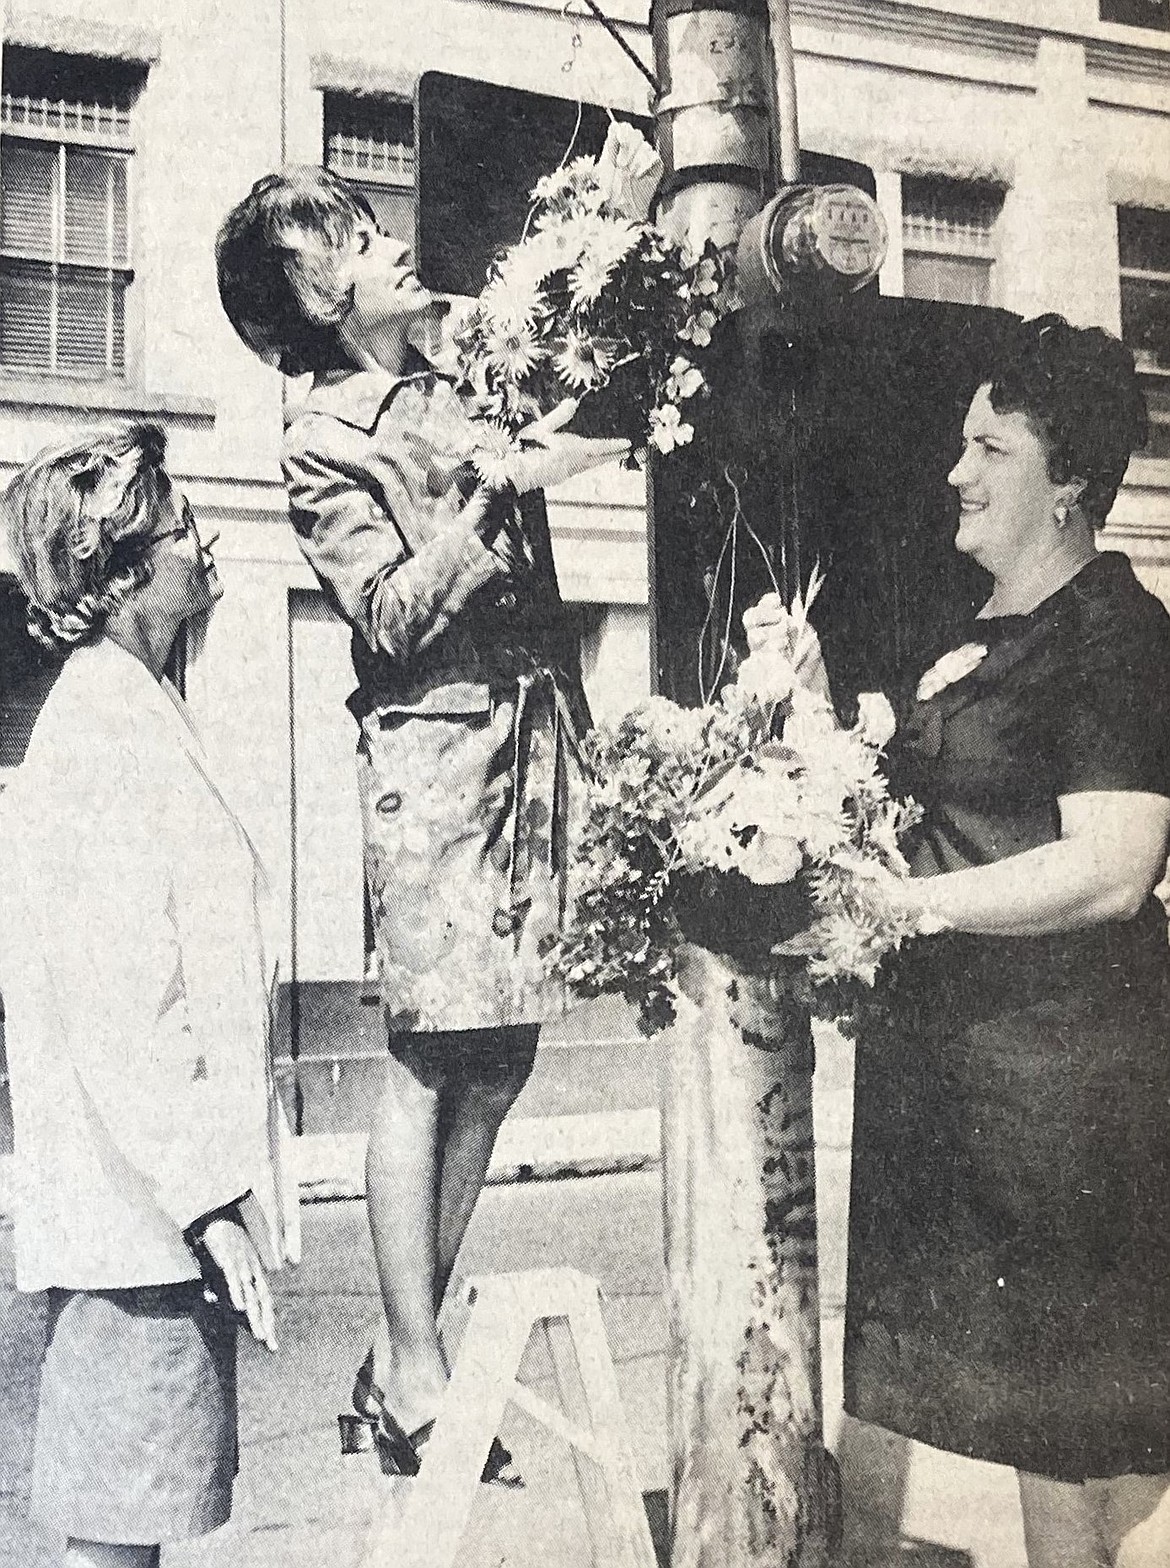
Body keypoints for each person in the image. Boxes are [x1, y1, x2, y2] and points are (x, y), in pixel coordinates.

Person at [215, 168, 626, 1480]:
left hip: (527, 745)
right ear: (317, 298)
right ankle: (410, 1359)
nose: (390, 244)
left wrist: (601, 233)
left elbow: (569, 370)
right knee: (427, 1053)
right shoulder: (320, 439)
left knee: (499, 1058)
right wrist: (486, 501)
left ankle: (403, 1359)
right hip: (435, 757)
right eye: (353, 239)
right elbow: (386, 613)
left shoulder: (462, 369)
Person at [745, 315, 1170, 1568]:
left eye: (991, 445)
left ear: (1071, 479)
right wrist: (811, 697)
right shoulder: (979, 627)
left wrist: (906, 905)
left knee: (1082, 1466)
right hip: (951, 1086)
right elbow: (925, 813)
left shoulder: (1115, 633)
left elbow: (1112, 866)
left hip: (1065, 1098)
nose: (956, 470)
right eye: (959, 442)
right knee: (975, 1432)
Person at [0, 425, 300, 1568]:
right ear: (119, 574)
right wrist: (209, 1199)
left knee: (136, 1530)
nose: (200, 540)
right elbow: (124, 1004)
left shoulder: (133, 702)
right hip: (144, 1231)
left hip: (151, 1222)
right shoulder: (104, 728)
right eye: (177, 529)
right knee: (120, 1540)